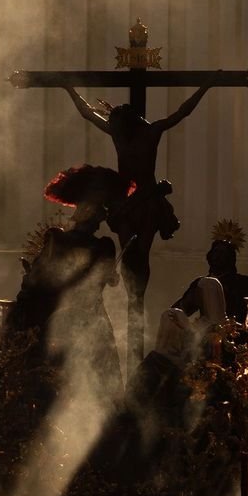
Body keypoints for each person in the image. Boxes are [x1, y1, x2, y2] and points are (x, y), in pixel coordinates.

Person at [61, 80, 220, 327]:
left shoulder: (138, 133)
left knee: (139, 254)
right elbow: (88, 113)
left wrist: (205, 87)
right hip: (132, 203)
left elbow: (182, 111)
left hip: (143, 202)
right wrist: (68, 88)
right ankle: (133, 298)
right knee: (131, 254)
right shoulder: (135, 132)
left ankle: (136, 299)